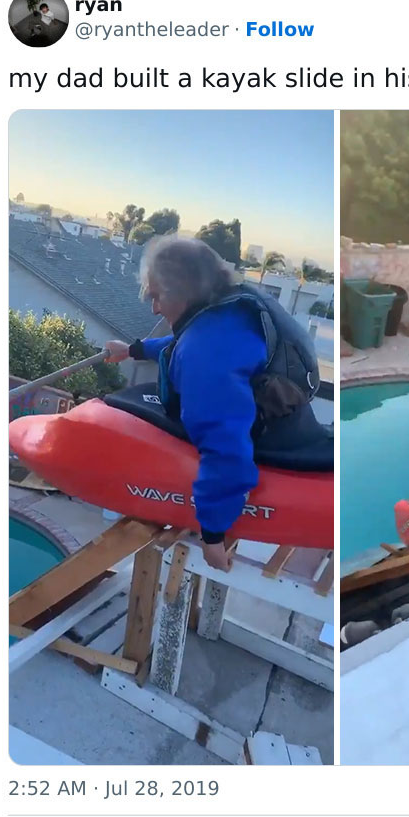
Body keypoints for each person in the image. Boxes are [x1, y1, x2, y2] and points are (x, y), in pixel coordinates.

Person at [105, 237, 320, 569]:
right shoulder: (228, 309)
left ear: (184, 293)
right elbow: (192, 338)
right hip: (289, 415)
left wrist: (213, 535)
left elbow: (225, 451)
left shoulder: (204, 357)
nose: (154, 309)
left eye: (157, 297)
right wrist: (135, 350)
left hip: (266, 439)